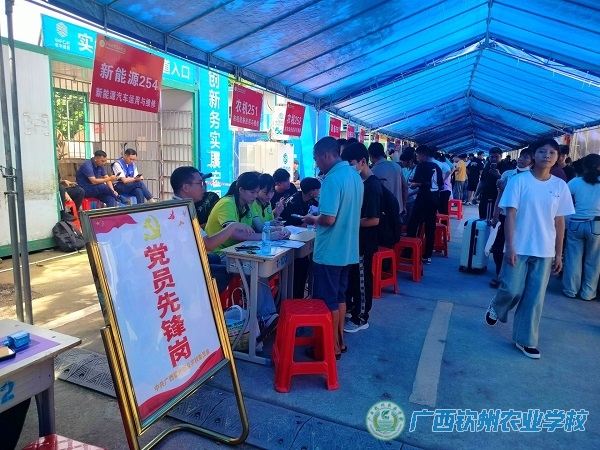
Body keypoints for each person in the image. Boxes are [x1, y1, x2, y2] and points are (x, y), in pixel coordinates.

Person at [486, 138, 574, 359]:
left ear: (558, 157)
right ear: (534, 155)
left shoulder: (560, 186)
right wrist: (510, 246)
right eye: (542, 152)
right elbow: (510, 215)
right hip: (520, 246)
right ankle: (498, 305)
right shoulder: (519, 181)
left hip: (545, 249)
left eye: (552, 153)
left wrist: (558, 253)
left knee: (534, 298)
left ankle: (525, 340)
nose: (547, 156)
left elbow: (559, 222)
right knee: (512, 289)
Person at [205, 171, 290, 338]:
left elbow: (260, 227)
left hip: (239, 251)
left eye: (256, 192)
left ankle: (265, 314)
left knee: (260, 267)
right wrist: (269, 236)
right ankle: (265, 316)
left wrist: (279, 230)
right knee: (255, 268)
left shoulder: (247, 205)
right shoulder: (227, 204)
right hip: (220, 254)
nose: (255, 196)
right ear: (241, 190)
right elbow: (236, 234)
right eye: (252, 192)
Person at [303, 136, 363, 359]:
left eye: (316, 159)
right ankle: (339, 343)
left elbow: (328, 219)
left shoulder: (332, 180)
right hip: (348, 249)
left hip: (330, 252)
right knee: (339, 297)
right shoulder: (355, 176)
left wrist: (312, 218)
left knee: (326, 300)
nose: (317, 164)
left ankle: (331, 347)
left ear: (325, 155)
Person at [170, 166, 253, 293]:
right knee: (228, 270)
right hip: (183, 268)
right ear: (186, 187)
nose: (204, 187)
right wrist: (232, 226)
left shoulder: (181, 207)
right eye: (200, 183)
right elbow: (209, 244)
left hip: (192, 259)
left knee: (216, 260)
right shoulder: (180, 212)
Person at [341, 143, 382, 334]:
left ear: (363, 162)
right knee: (354, 279)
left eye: (351, 164)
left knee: (362, 281)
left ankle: (361, 317)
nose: (349, 169)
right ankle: (353, 310)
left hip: (365, 243)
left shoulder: (372, 186)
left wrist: (347, 222)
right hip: (355, 241)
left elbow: (373, 219)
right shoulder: (361, 183)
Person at [489, 149, 534, 288]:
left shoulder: (532, 177)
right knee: (498, 247)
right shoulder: (508, 174)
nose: (521, 159)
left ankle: (512, 278)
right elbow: (500, 195)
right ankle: (499, 273)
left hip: (522, 218)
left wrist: (506, 186)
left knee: (517, 248)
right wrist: (495, 214)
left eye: (525, 157)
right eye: (521, 156)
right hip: (504, 215)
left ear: (532, 161)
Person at [562, 154, 600, 301]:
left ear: (584, 166)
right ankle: (588, 293)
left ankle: (570, 290)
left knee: (573, 258)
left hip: (575, 223)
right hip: (597, 225)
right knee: (594, 261)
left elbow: (564, 200)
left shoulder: (575, 182)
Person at [280, 177, 321, 299]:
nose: (319, 192)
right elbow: (291, 225)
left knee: (307, 262)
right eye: (317, 189)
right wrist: (308, 222)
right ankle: (294, 297)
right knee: (301, 264)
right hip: (289, 240)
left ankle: (301, 295)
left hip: (305, 237)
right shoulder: (293, 202)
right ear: (311, 192)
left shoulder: (312, 201)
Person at [406, 145, 443, 264]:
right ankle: (427, 255)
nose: (416, 157)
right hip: (434, 200)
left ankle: (409, 251)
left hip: (423, 200)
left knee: (413, 225)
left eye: (417, 155)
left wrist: (415, 185)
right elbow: (441, 185)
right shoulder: (437, 167)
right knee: (430, 228)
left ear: (423, 155)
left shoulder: (421, 166)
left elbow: (417, 183)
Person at [369, 142, 407, 218]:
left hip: (384, 213)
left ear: (371, 156)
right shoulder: (397, 166)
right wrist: (404, 206)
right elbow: (405, 188)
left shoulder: (373, 172)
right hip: (399, 210)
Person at [474, 147, 505, 220]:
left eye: (496, 157)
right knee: (483, 219)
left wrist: (499, 176)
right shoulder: (487, 165)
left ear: (501, 156)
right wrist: (476, 195)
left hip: (498, 199)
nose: (494, 159)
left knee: (495, 220)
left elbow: (510, 184)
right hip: (485, 197)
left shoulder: (506, 168)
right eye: (492, 157)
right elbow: (482, 181)